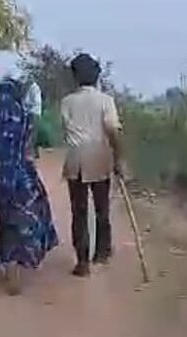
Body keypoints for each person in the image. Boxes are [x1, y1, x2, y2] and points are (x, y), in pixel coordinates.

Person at [0, 76, 59, 295]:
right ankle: (21, 258)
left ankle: (7, 261)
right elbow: (30, 150)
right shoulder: (25, 116)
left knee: (4, 218)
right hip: (21, 177)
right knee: (24, 217)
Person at [61, 53, 123, 277]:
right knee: (101, 208)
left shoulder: (67, 102)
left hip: (75, 157)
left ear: (75, 76)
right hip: (99, 155)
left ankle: (82, 261)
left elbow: (67, 128)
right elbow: (112, 129)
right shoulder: (106, 101)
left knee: (79, 211)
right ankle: (102, 252)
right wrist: (118, 158)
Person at [22, 78, 43, 160]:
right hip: (32, 113)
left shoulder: (34, 88)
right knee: (32, 133)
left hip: (34, 113)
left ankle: (31, 153)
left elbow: (35, 102)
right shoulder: (30, 88)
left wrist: (25, 105)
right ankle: (34, 152)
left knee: (31, 133)